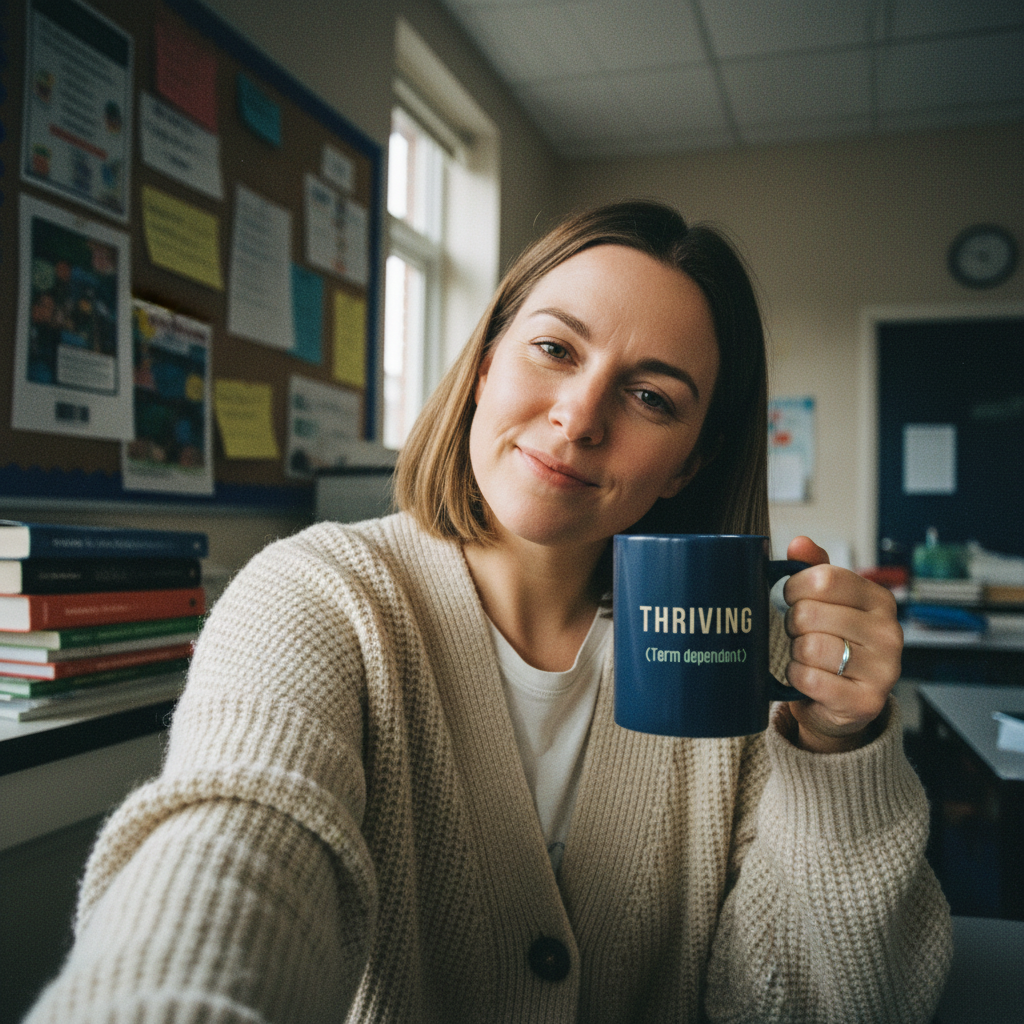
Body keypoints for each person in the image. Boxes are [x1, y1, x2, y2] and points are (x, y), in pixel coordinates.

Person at [25, 201, 951, 1023]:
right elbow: (238, 839)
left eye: (651, 397)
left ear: (689, 465)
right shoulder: (316, 595)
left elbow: (821, 1003)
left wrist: (837, 756)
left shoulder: (737, 660)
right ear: (483, 364)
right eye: (555, 349)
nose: (579, 418)